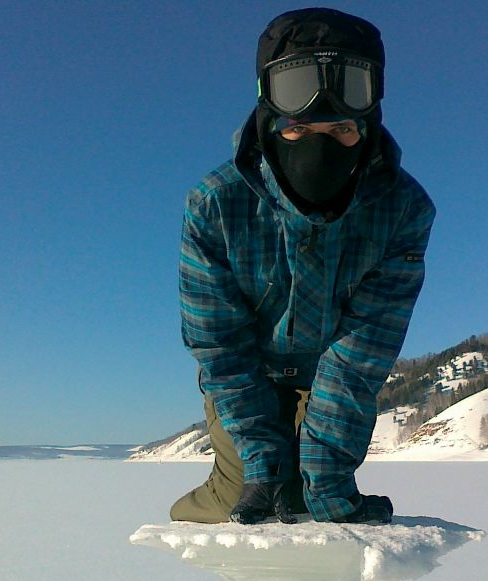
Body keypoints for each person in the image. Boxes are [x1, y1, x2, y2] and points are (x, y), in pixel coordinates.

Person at [170, 7, 435, 525]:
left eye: (341, 128)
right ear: (270, 124)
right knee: (245, 500)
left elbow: (362, 350)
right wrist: (263, 465)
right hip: (249, 375)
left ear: (367, 126)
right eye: (297, 129)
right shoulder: (216, 204)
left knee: (317, 500)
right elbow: (219, 345)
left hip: (331, 377)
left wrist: (328, 477)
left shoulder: (403, 209)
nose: (320, 145)